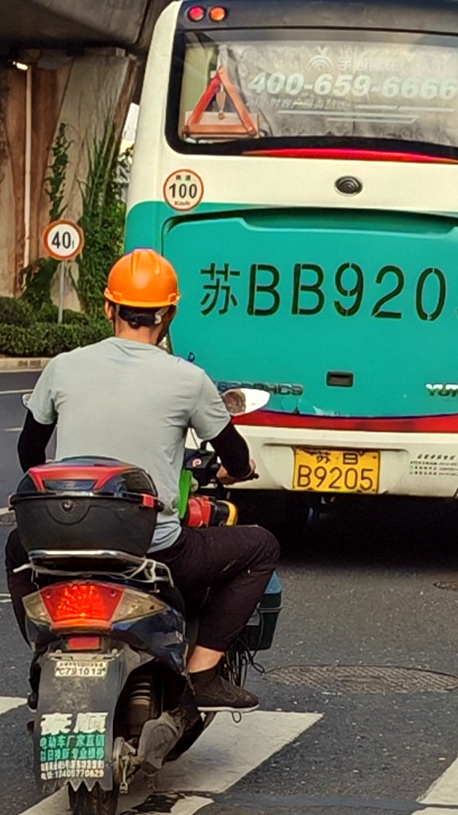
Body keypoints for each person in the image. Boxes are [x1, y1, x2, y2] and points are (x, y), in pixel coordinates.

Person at [14, 247, 276, 709]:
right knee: (261, 547)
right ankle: (205, 674)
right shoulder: (189, 379)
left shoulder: (64, 365)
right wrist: (237, 472)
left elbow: (29, 454)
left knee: (18, 548)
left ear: (109, 307)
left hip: (63, 541)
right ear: (170, 313)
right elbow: (236, 457)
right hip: (154, 548)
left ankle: (46, 649)